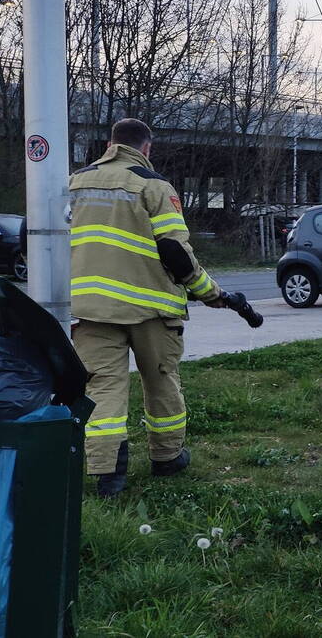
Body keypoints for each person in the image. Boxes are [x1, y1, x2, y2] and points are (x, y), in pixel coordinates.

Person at [69, 118, 224, 498]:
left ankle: (108, 475)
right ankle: (167, 458)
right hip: (150, 310)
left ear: (110, 144)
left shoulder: (75, 183)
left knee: (102, 387)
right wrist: (210, 292)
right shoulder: (153, 186)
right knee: (161, 382)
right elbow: (175, 251)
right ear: (146, 148)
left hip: (92, 309)